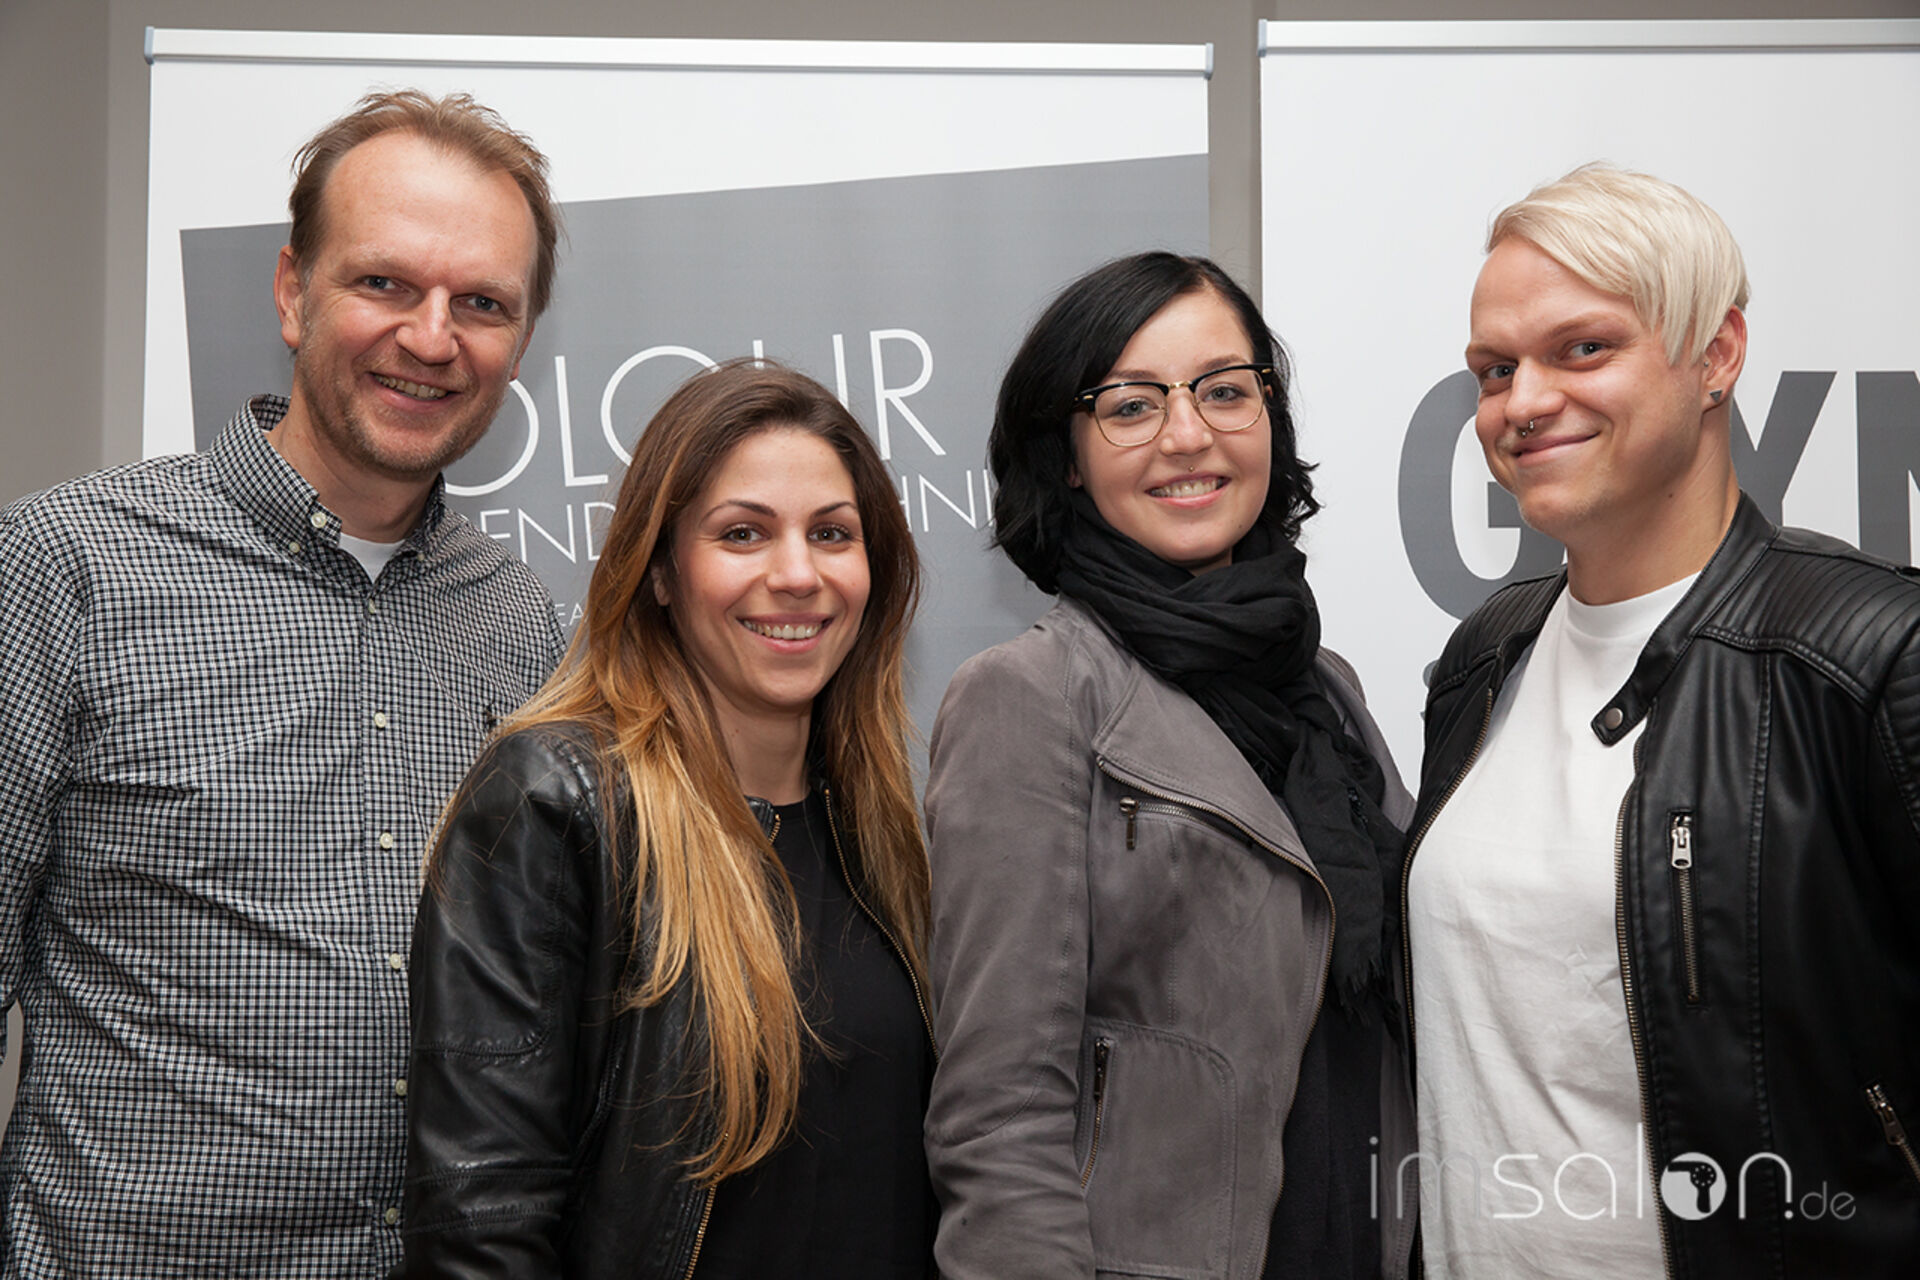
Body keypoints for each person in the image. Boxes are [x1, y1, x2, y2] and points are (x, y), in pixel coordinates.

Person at [0, 90, 565, 1274]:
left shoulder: (526, 627)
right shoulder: (68, 565)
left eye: (482, 303)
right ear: (292, 291)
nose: (431, 337)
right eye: (384, 283)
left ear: (521, 342)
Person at [1407, 164, 1920, 1277]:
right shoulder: (1485, 655)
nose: (1523, 403)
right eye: (1496, 369)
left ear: (1717, 355)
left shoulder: (1873, 655)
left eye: (1583, 348)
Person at [924, 252, 1419, 1280]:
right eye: (1131, 405)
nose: (1188, 434)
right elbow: (998, 1110)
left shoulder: (1326, 689)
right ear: (1066, 456)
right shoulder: (1032, 695)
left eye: (1225, 391)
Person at [402, 359, 936, 1278]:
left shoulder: (879, 823)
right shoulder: (553, 804)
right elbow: (481, 1222)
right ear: (658, 571)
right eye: (742, 533)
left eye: (832, 533)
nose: (797, 574)